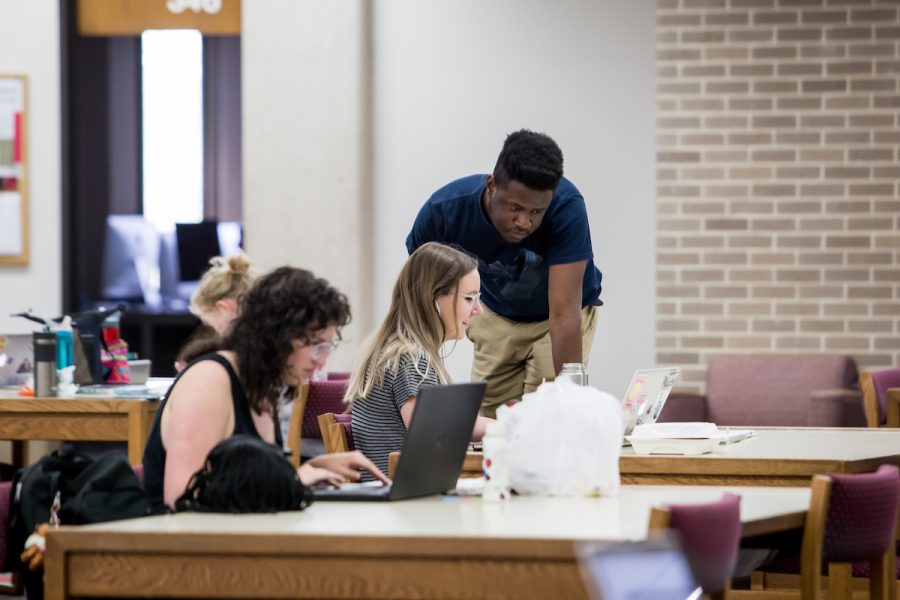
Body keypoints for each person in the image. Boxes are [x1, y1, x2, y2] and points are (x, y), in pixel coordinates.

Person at [143, 266, 388, 512]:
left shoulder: (263, 387)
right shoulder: (209, 381)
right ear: (277, 337)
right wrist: (295, 480)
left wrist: (315, 466)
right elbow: (182, 500)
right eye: (316, 346)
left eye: (326, 347)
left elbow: (240, 479)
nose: (321, 360)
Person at [406, 129, 603, 417]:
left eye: (537, 212)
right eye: (515, 208)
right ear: (491, 186)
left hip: (557, 319)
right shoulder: (444, 212)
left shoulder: (566, 208)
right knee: (488, 421)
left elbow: (562, 315)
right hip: (495, 314)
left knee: (548, 416)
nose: (524, 222)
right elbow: (417, 299)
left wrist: (569, 404)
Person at [345, 242, 491, 478]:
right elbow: (431, 430)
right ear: (434, 299)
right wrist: (510, 427)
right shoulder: (410, 357)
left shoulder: (399, 351)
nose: (478, 310)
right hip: (404, 501)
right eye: (469, 298)